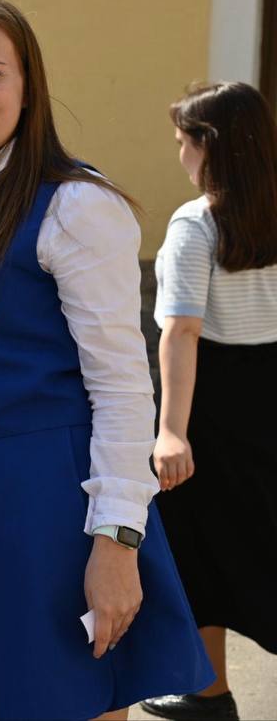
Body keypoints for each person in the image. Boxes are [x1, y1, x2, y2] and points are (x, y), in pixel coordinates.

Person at [0, 0, 212, 720]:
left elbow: (123, 388)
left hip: (58, 503)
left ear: (28, 85)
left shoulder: (72, 204)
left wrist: (116, 540)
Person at [138, 82, 277, 721]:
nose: (180, 157)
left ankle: (210, 692)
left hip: (215, 401)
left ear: (208, 147)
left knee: (200, 546)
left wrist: (171, 431)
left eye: (182, 143)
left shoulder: (198, 221)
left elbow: (181, 329)